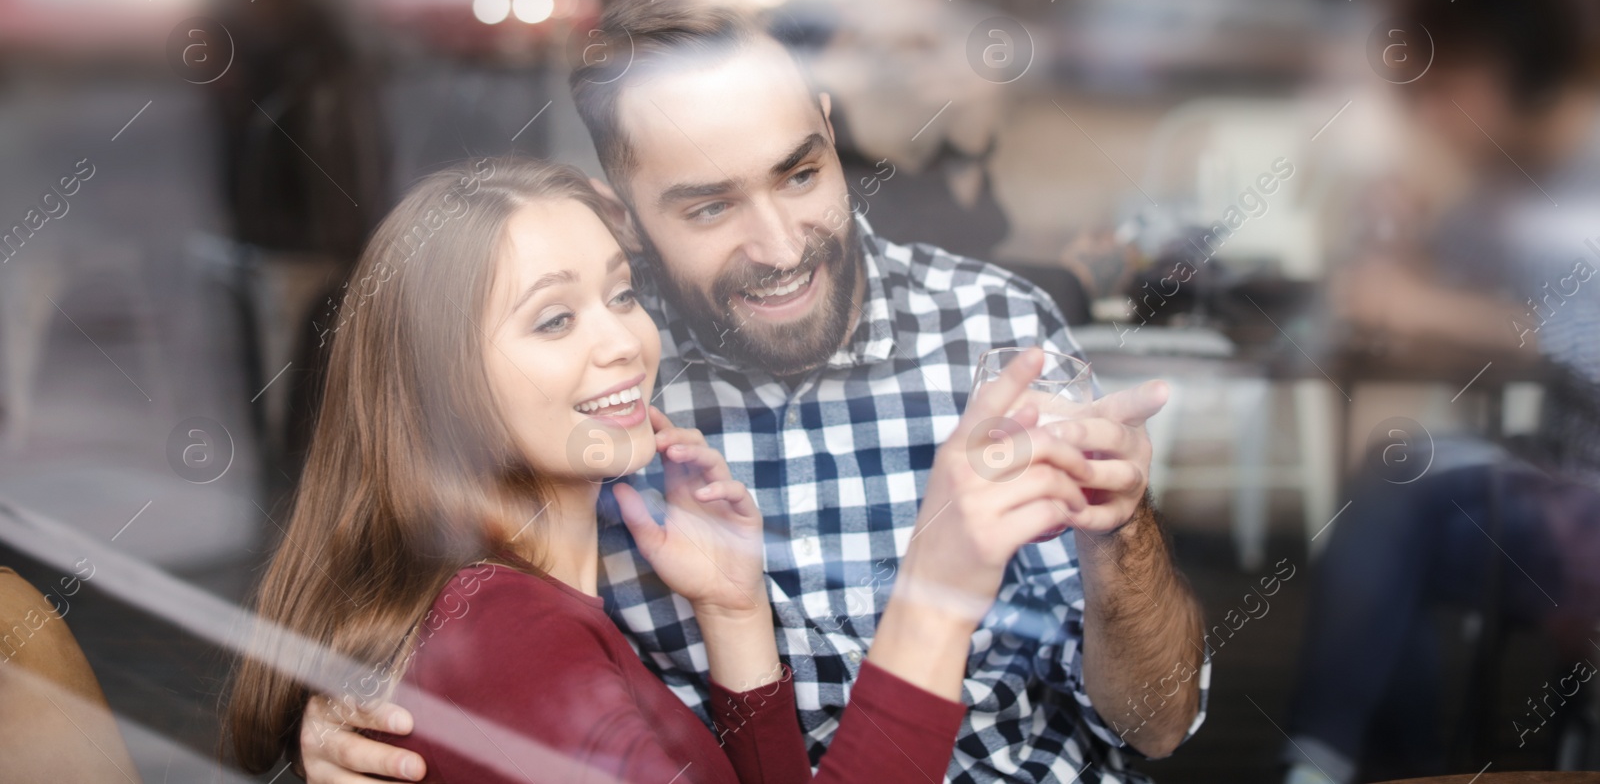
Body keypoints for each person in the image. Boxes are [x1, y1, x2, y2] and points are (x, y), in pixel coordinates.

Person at [300, 0, 1207, 784]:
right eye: (709, 206)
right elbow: (429, 588)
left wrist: (1119, 536)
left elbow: (1158, 727)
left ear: (827, 127)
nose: (779, 246)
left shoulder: (992, 329)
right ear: (623, 208)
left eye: (800, 173)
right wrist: (362, 708)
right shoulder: (595, 395)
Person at [226, 157, 1095, 782]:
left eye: (620, 294)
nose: (624, 343)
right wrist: (939, 587)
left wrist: (733, 611)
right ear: (440, 384)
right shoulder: (504, 640)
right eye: (554, 320)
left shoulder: (524, 613)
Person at [1281, 0, 1600, 783]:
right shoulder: (1505, 186)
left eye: (1434, 83)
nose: (1421, 111)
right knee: (1389, 506)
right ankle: (1376, 763)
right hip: (1551, 495)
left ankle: (1326, 761)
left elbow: (1570, 331)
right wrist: (1394, 227)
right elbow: (1426, 280)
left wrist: (1420, 306)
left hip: (1583, 510)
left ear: (1493, 70)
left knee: (1395, 490)